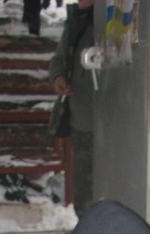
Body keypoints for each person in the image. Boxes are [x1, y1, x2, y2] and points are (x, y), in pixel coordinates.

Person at [49, 0, 94, 217]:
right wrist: (58, 77)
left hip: (115, 127)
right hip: (82, 123)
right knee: (84, 199)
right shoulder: (77, 22)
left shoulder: (112, 22)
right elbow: (58, 59)